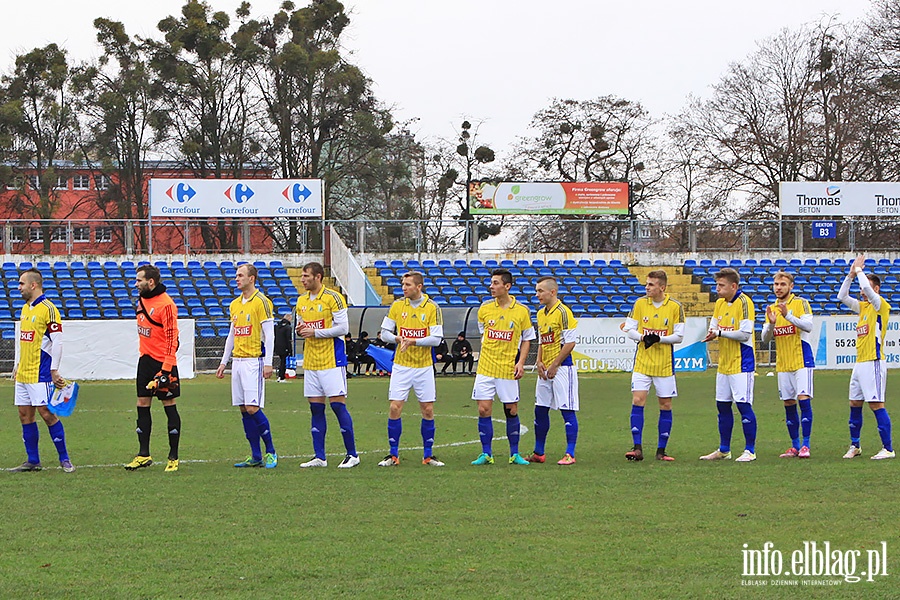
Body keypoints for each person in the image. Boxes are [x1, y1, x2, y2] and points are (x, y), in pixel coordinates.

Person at [377, 271, 445, 467]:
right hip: (401, 365)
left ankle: (428, 455)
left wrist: (413, 341)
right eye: (403, 284)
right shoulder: (397, 306)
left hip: (424, 367)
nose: (404, 288)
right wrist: (398, 338)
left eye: (407, 284)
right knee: (394, 407)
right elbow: (384, 334)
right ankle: (393, 455)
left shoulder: (432, 308)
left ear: (419, 287)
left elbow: (436, 339)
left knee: (428, 410)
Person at [295, 261, 359, 468]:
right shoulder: (301, 301)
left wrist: (315, 332)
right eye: (302, 276)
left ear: (318, 277)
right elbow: (302, 325)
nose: (303, 280)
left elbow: (343, 329)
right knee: (315, 408)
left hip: (332, 359)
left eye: (306, 276)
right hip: (312, 361)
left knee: (338, 406)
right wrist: (301, 330)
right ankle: (319, 457)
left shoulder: (334, 298)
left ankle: (352, 454)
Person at [9, 268, 74, 473]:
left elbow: (57, 342)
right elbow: (24, 340)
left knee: (46, 413)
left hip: (41, 372)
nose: (18, 287)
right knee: (24, 415)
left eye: (21, 283)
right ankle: (33, 461)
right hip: (24, 373)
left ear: (33, 285)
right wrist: (17, 364)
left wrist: (54, 370)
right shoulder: (25, 309)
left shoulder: (48, 309)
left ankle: (64, 459)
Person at [470, 268, 535, 466]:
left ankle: (514, 454)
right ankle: (486, 454)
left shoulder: (522, 311)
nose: (492, 286)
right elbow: (484, 333)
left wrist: (520, 363)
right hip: (485, 368)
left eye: (496, 283)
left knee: (511, 410)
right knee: (483, 409)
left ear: (507, 286)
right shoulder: (484, 309)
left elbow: (527, 339)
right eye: (491, 283)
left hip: (508, 369)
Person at [216, 264, 278, 469]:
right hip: (238, 361)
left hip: (254, 361)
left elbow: (269, 335)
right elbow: (232, 334)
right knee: (244, 409)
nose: (237, 279)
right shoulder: (234, 304)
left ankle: (271, 452)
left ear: (252, 278)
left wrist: (268, 363)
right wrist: (224, 361)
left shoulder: (262, 302)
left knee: (253, 407)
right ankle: (255, 455)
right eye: (236, 276)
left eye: (240, 275)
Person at [621, 270, 685, 462]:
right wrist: (642, 337)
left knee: (665, 404)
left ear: (662, 287)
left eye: (650, 284)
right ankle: (637, 448)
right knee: (637, 401)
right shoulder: (640, 304)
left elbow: (679, 336)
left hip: (664, 365)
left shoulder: (675, 307)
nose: (646, 287)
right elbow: (629, 328)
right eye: (646, 284)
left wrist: (659, 339)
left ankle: (661, 451)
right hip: (642, 363)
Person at [126, 264, 182, 472]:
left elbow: (171, 338)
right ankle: (143, 454)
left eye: (139, 280)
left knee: (169, 404)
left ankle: (173, 456)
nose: (136, 284)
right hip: (145, 360)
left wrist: (166, 369)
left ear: (151, 282)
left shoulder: (166, 304)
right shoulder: (141, 301)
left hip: (163, 363)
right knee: (142, 403)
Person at [837, 255, 894, 460]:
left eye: (866, 288)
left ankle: (888, 448)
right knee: (854, 404)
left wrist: (860, 271)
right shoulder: (863, 308)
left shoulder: (881, 306)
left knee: (876, 404)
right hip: (860, 363)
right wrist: (851, 275)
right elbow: (842, 296)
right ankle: (855, 445)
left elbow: (869, 291)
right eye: (861, 288)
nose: (862, 292)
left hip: (874, 362)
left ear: (876, 289)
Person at [700, 268, 758, 463]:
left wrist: (719, 334)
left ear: (733, 286)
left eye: (721, 285)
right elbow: (714, 326)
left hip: (742, 363)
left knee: (743, 405)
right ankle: (724, 449)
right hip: (724, 363)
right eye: (717, 285)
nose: (717, 289)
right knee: (722, 406)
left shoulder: (745, 303)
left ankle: (750, 450)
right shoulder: (719, 304)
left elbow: (744, 334)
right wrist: (712, 332)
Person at [525, 276, 580, 465]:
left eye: (540, 291)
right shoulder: (541, 313)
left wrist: (555, 364)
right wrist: (539, 362)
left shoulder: (564, 312)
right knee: (540, 409)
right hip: (545, 370)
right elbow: (542, 341)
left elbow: (570, 343)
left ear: (552, 292)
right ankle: (539, 453)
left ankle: (569, 454)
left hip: (563, 368)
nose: (537, 294)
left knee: (567, 409)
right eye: (536, 291)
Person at [760, 271, 815, 458]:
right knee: (789, 403)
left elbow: (808, 326)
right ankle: (794, 446)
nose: (778, 287)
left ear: (791, 286)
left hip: (802, 360)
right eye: (776, 284)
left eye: (782, 284)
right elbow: (765, 339)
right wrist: (772, 324)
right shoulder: (771, 308)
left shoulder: (801, 303)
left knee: (803, 399)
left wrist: (789, 316)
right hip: (783, 363)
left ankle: (806, 445)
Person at [274, 311, 293, 382]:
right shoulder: (287, 328)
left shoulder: (277, 326)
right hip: (284, 347)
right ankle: (281, 377)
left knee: (281, 361)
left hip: (277, 346)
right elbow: (288, 339)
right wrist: (290, 350)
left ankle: (279, 376)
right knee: (283, 362)